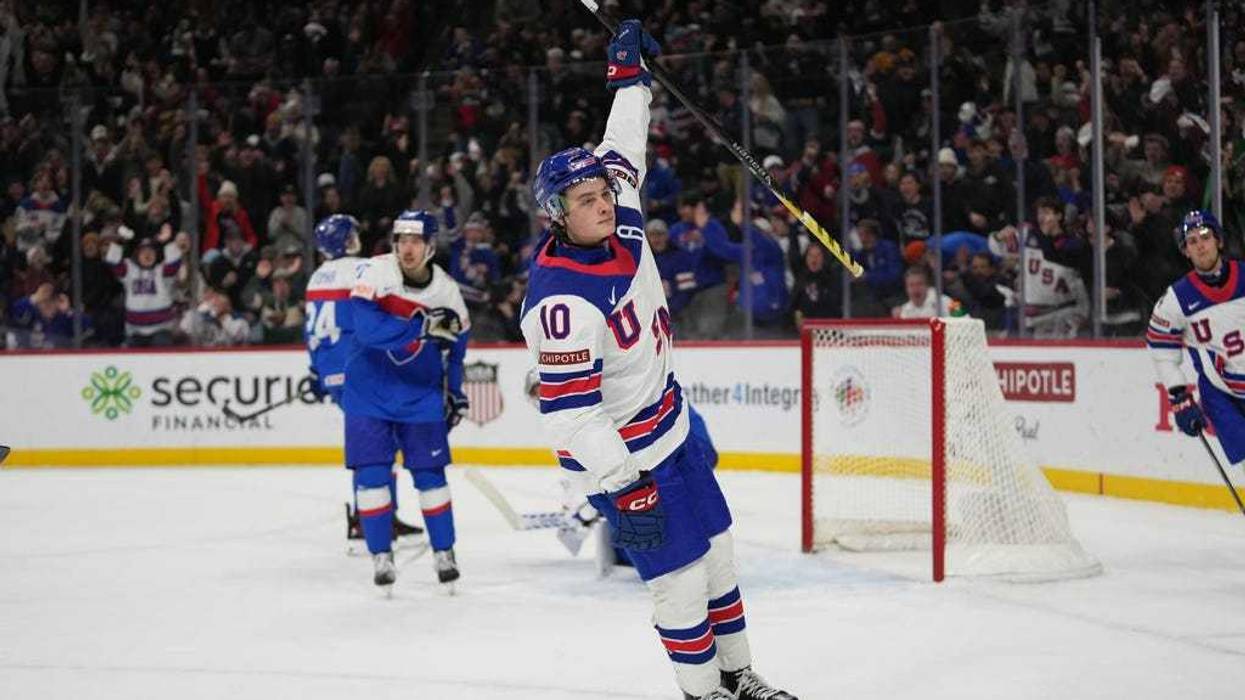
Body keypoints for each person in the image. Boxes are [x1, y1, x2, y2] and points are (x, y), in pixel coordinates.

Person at [519, 21, 796, 700]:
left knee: (719, 560)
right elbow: (569, 417)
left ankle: (738, 676)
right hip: (630, 458)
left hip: (674, 424)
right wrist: (621, 482)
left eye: (604, 193)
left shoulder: (624, 210)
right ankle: (701, 693)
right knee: (677, 585)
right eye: (586, 200)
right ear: (555, 214)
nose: (603, 203)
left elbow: (622, 146)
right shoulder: (560, 303)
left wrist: (627, 78)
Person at [344, 209, 470, 591]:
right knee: (371, 477)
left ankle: (444, 553)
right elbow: (365, 330)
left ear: (430, 246)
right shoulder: (374, 272)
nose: (407, 248)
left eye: (415, 241)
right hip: (368, 394)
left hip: (420, 396)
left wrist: (456, 390)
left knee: (432, 478)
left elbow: (458, 349)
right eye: (401, 240)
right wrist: (421, 327)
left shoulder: (447, 292)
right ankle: (381, 555)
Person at [305, 215, 424, 551]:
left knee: (374, 442)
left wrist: (317, 371)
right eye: (352, 234)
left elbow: (313, 332)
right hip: (359, 371)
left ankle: (379, 515)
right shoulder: (357, 269)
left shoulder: (316, 277)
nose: (357, 238)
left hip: (333, 370)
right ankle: (368, 519)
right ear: (345, 240)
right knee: (377, 444)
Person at [1148, 210, 1245, 466]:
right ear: (1186, 251)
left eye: (1205, 236)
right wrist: (1179, 397)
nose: (1200, 245)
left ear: (1219, 241)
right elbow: (1161, 350)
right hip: (1223, 394)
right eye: (1192, 241)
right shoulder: (1176, 299)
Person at [104, 234, 182, 346]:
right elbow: (113, 262)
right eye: (143, 252)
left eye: (151, 252)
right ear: (137, 255)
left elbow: (175, 263)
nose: (147, 255)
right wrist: (118, 241)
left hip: (160, 330)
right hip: (134, 332)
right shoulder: (130, 271)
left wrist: (167, 241)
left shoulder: (162, 272)